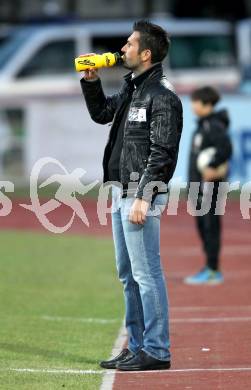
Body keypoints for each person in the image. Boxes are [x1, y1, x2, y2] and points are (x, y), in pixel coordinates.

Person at [80, 20, 183, 371]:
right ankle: (137, 345)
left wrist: (144, 195)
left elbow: (163, 152)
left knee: (146, 273)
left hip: (139, 195)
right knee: (128, 274)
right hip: (122, 192)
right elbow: (101, 114)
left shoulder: (163, 96)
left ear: (146, 53)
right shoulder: (133, 88)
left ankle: (156, 350)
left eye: (129, 43)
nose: (122, 48)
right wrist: (91, 83)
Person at [184, 86, 232, 285]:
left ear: (207, 104)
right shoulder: (203, 125)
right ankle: (210, 266)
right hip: (199, 187)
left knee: (210, 226)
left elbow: (226, 149)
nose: (193, 105)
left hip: (210, 186)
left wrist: (212, 167)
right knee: (204, 226)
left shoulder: (213, 126)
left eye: (195, 101)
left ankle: (213, 270)